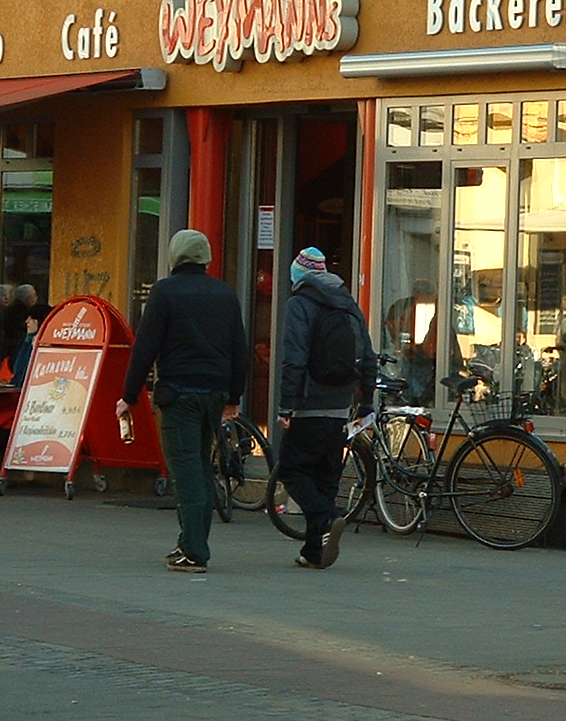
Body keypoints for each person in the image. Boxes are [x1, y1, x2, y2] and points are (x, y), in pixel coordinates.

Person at [117, 229, 250, 574]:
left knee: (186, 468)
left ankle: (194, 550)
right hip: (215, 393)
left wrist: (129, 396)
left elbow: (145, 348)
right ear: (205, 257)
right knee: (201, 467)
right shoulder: (225, 293)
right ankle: (190, 543)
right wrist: (233, 396)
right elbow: (240, 350)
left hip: (179, 394)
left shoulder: (165, 293)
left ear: (175, 256)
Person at [277, 246, 377, 570]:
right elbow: (369, 358)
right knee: (324, 478)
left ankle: (328, 517)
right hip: (339, 406)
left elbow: (294, 357)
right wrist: (365, 404)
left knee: (292, 470)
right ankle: (313, 551)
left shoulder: (299, 304)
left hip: (309, 402)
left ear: (300, 276)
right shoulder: (349, 305)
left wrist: (286, 405)